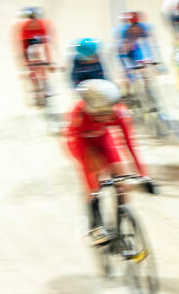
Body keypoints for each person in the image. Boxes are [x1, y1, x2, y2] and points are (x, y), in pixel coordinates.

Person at [65, 79, 154, 246]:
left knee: (121, 177)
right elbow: (84, 162)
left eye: (112, 110)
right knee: (95, 171)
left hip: (102, 138)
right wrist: (93, 187)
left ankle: (123, 220)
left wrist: (144, 176)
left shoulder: (118, 113)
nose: (111, 115)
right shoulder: (78, 115)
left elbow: (130, 145)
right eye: (106, 113)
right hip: (81, 144)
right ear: (94, 110)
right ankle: (95, 223)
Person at [16, 6, 55, 102]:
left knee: (41, 63)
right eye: (31, 20)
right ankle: (36, 87)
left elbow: (46, 46)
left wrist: (49, 62)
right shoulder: (24, 28)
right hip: (29, 48)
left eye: (35, 20)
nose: (33, 23)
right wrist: (25, 64)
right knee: (31, 69)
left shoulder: (42, 26)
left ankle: (45, 83)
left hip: (38, 47)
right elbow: (23, 47)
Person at [114, 11, 162, 88]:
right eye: (132, 28)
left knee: (143, 69)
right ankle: (128, 88)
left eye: (136, 26)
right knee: (128, 74)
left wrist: (151, 59)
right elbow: (122, 51)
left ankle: (147, 84)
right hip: (125, 51)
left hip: (135, 48)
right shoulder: (123, 31)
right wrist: (126, 71)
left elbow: (150, 44)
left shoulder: (143, 27)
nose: (135, 30)